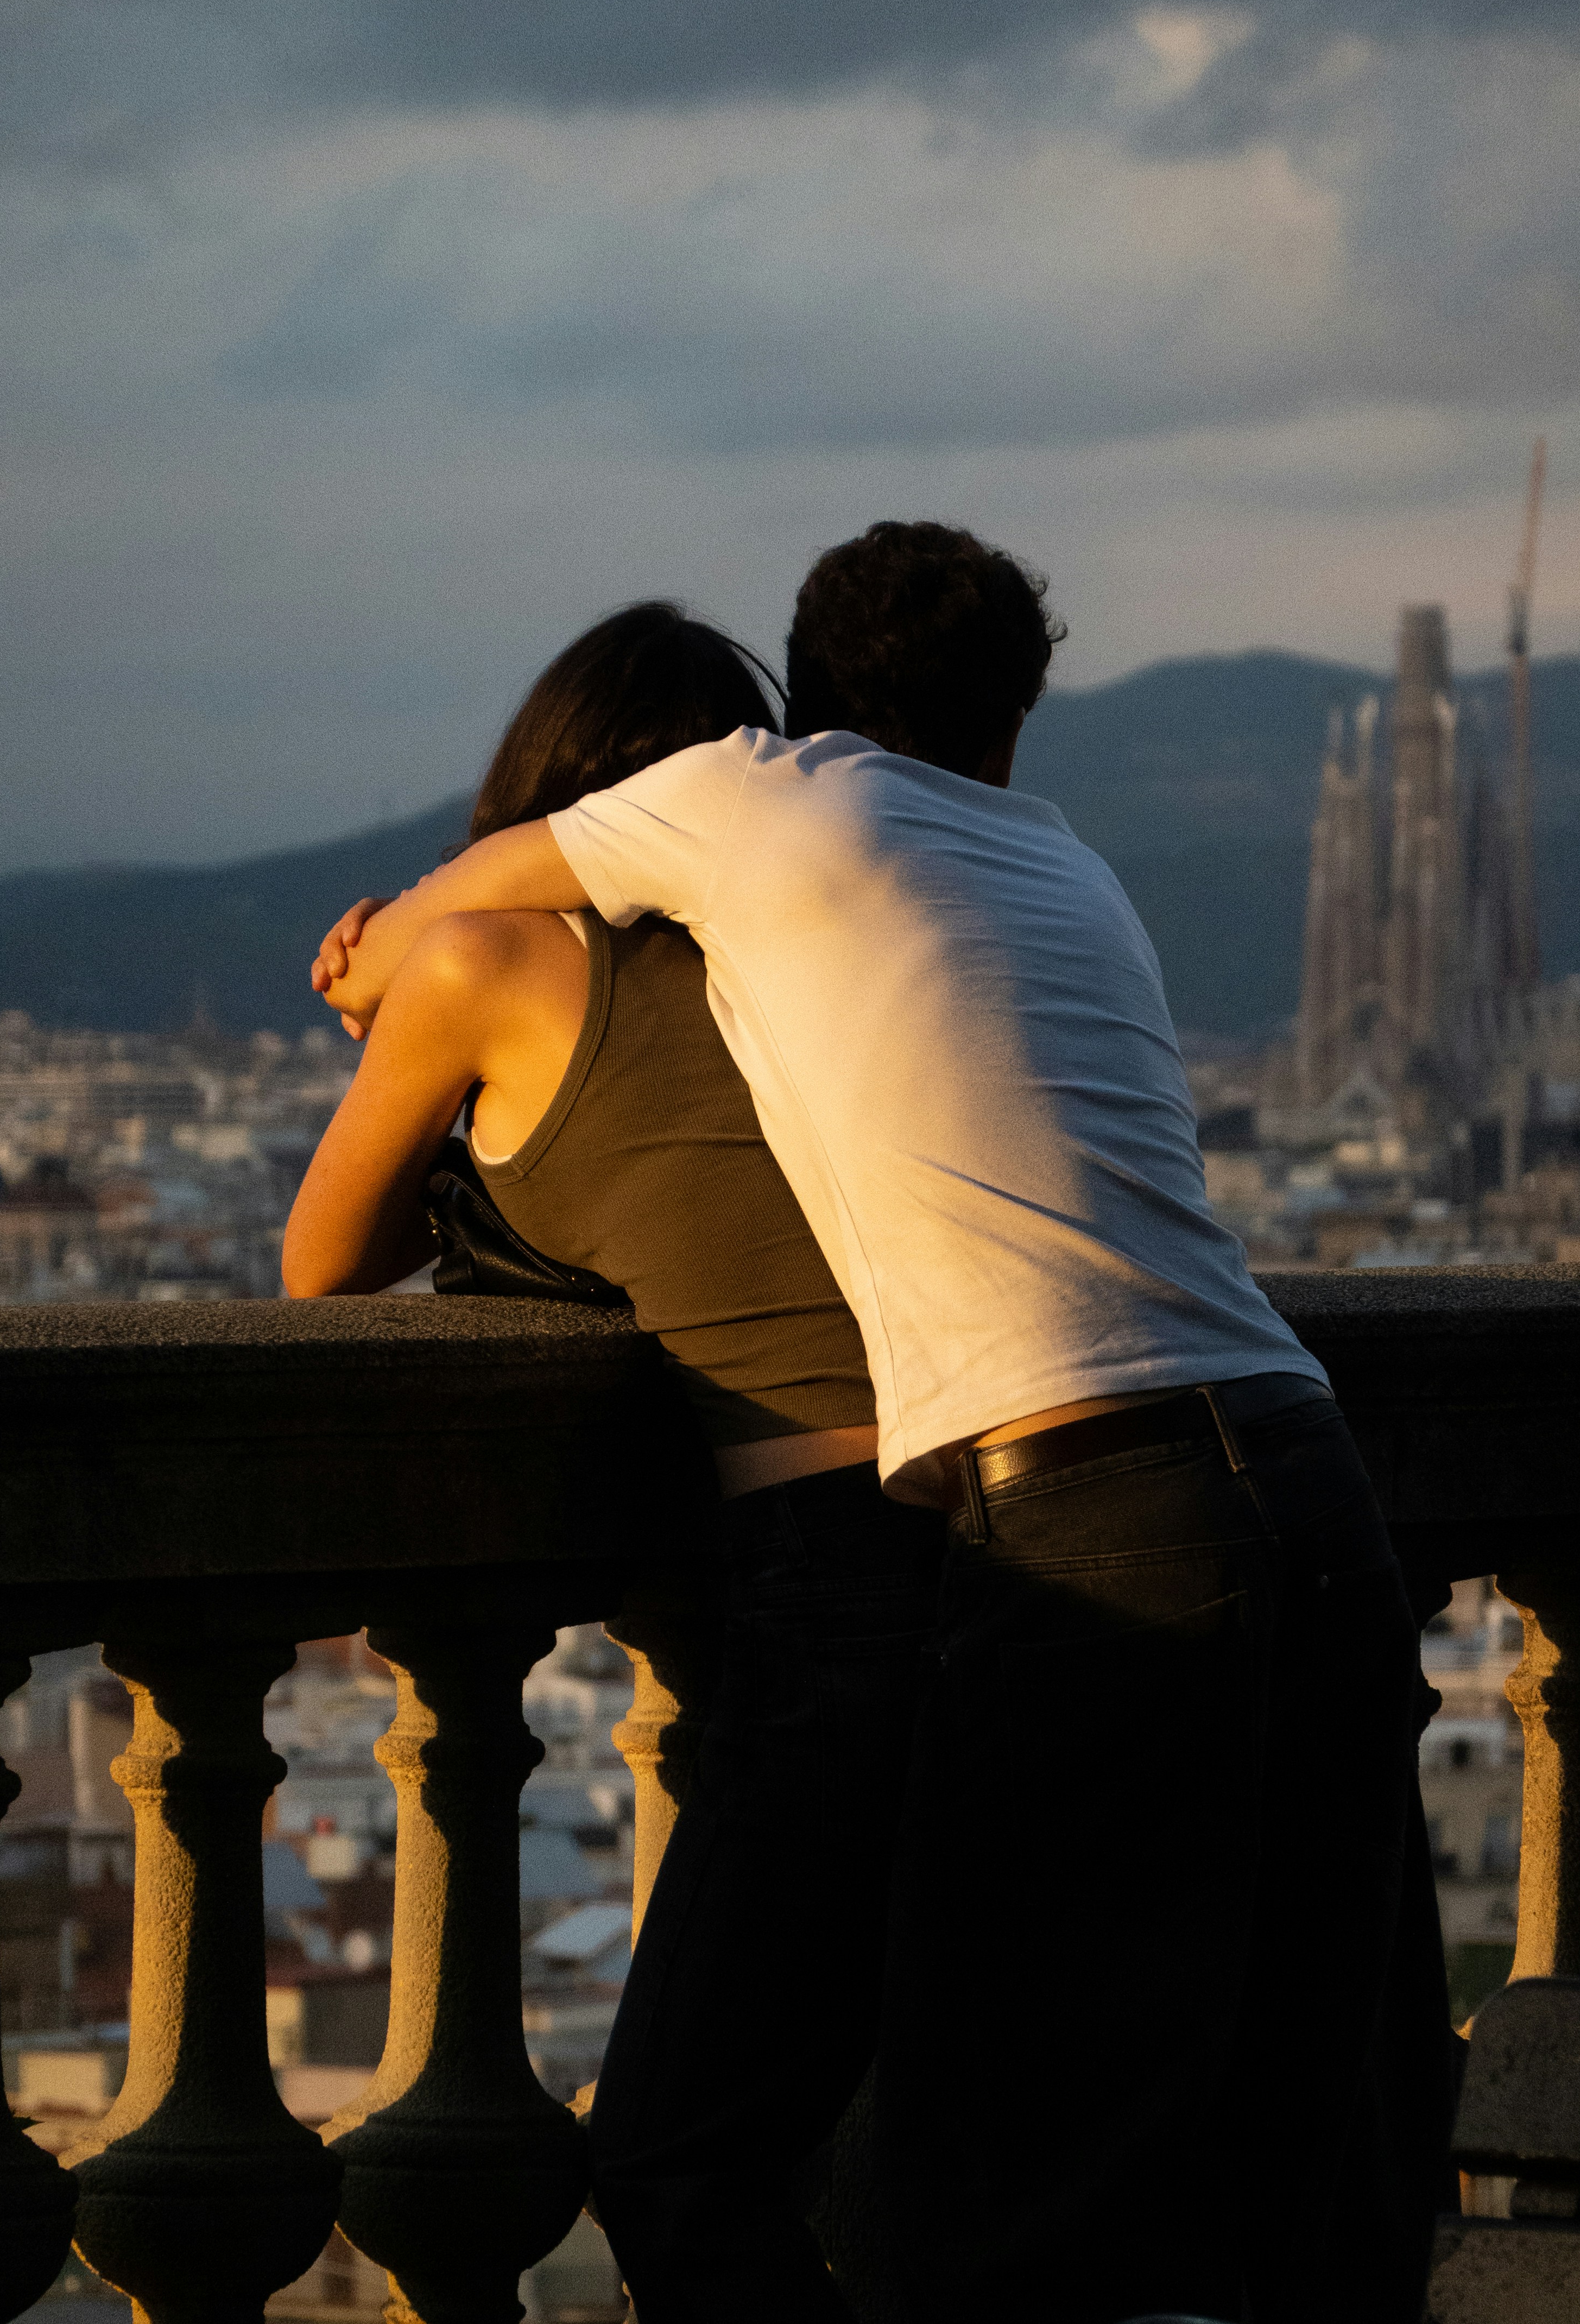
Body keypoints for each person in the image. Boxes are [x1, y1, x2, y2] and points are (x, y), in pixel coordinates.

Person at [312, 526, 1453, 2323]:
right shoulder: (1063, 858)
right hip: (1317, 1493)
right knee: (1318, 2164)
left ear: (808, 708)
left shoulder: (767, 802)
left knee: (1010, 2191)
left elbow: (465, 906)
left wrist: (371, 954)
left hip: (1093, 1522)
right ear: (1017, 718)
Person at [285, 603, 943, 2324]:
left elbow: (320, 1263)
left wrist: (423, 1028)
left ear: (536, 803)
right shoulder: (811, 974)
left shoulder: (487, 967)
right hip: (1036, 1525)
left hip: (835, 1585)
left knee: (679, 2165)